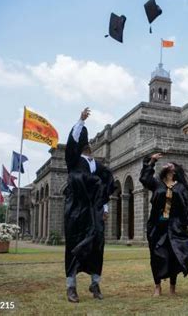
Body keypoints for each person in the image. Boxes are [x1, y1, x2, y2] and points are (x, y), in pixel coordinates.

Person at [64, 108, 116, 303]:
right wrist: (81, 121)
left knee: (97, 246)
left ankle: (95, 283)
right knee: (74, 246)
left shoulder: (99, 166)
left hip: (95, 213)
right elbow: (72, 142)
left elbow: (106, 187)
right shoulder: (74, 161)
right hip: (77, 212)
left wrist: (105, 208)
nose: (87, 144)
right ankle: (71, 286)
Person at [139, 153, 188, 297]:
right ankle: (157, 286)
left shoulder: (181, 187)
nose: (168, 165)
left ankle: (172, 287)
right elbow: (144, 179)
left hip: (175, 226)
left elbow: (187, 205)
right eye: (167, 164)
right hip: (157, 225)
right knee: (157, 255)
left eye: (171, 164)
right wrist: (152, 161)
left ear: (175, 170)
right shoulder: (157, 184)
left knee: (174, 255)